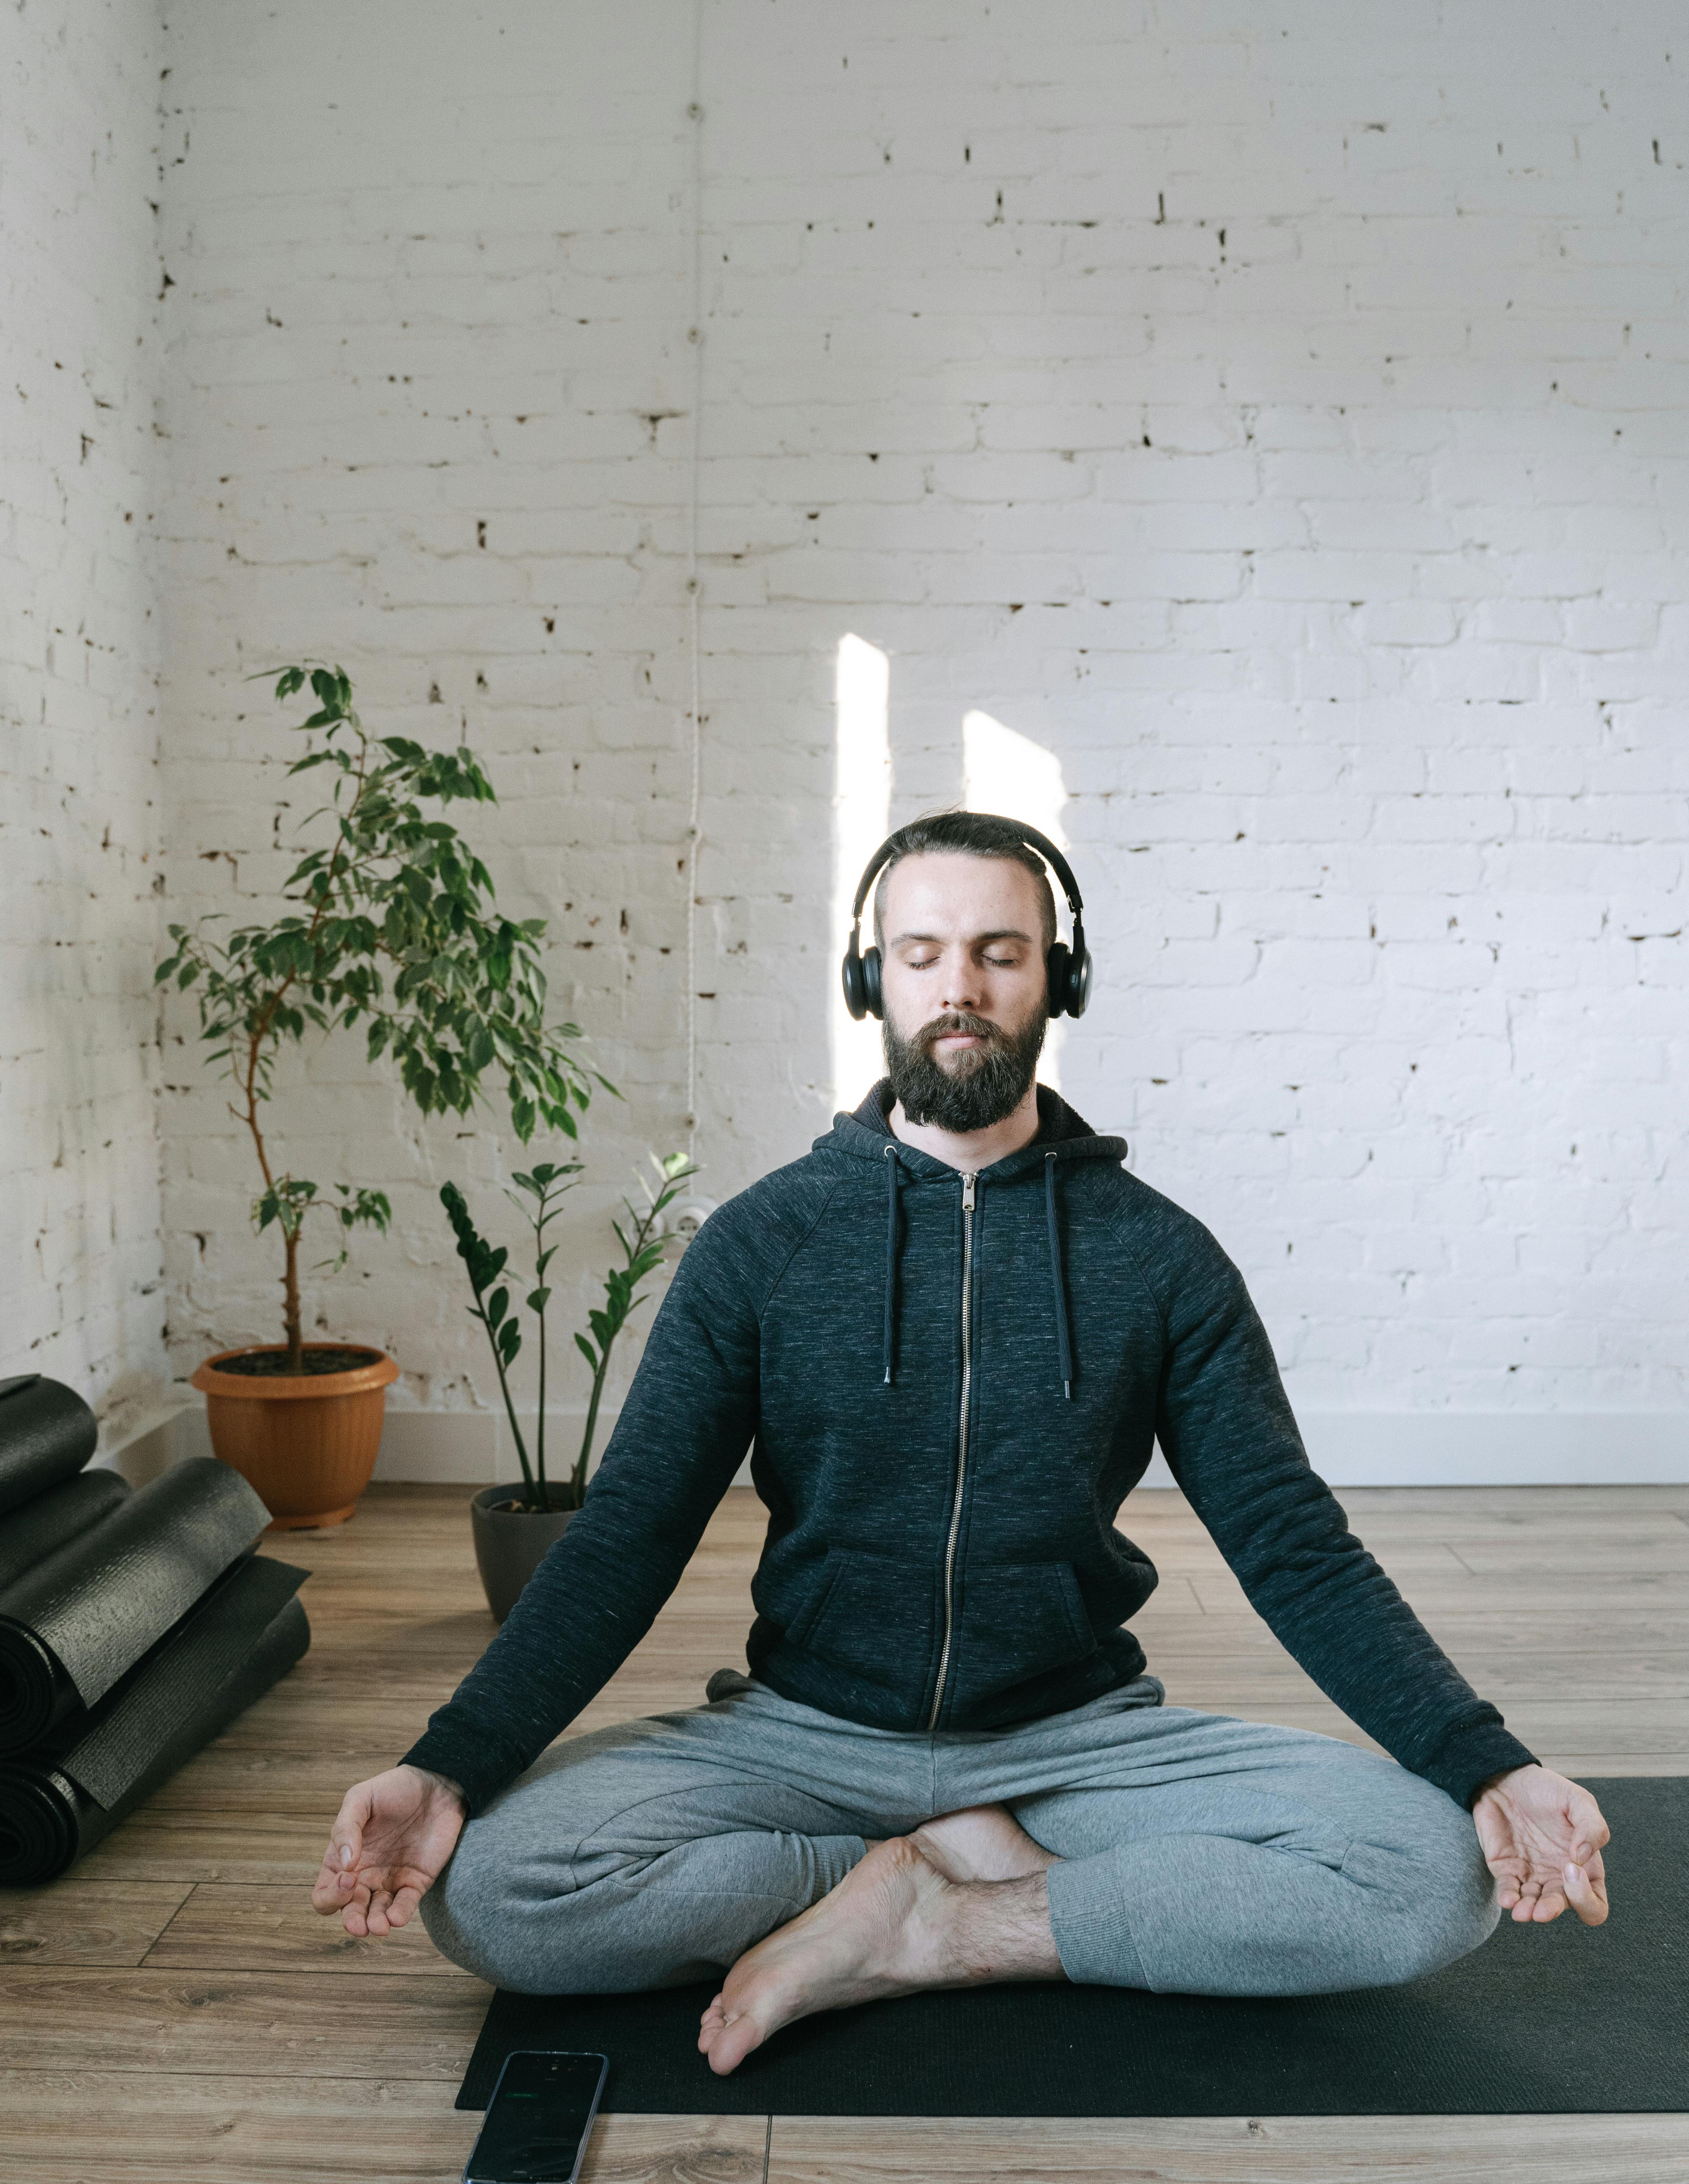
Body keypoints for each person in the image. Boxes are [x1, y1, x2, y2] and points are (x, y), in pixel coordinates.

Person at [313, 811, 1611, 2075]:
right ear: (872, 977)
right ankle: (881, 1877)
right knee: (491, 1893)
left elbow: (1290, 1542)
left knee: (1433, 1876)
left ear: (1060, 978)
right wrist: (449, 1762)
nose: (961, 988)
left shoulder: (1157, 1257)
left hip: (1077, 1738)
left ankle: (955, 1924)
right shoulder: (765, 1244)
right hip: (803, 1737)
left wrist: (1485, 1759)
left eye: (1001, 952)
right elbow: (629, 1534)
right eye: (923, 953)